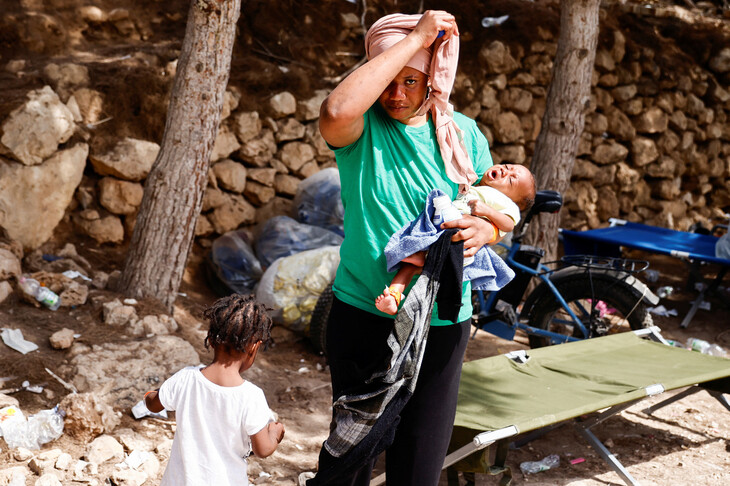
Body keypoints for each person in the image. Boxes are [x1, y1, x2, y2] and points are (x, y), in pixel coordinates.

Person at [310, 10, 502, 486]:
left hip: (443, 323)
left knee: (418, 468)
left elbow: (489, 207)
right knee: (350, 460)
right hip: (365, 314)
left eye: (411, 80)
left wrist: (488, 232)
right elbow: (335, 112)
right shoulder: (362, 132)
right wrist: (417, 36)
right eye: (388, 81)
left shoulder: (463, 134)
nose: (396, 95)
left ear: (433, 78)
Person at [144, 294, 285, 486]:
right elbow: (263, 449)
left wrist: (149, 395)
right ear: (254, 347)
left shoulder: (186, 378)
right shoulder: (251, 397)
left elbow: (153, 404)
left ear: (210, 339)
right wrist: (275, 433)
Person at [375, 163, 536, 315]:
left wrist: (488, 211)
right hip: (441, 228)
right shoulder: (476, 184)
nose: (505, 171)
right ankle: (394, 295)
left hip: (459, 235)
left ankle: (424, 260)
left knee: (416, 262)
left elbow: (508, 225)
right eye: (507, 166)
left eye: (510, 180)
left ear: (513, 199)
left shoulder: (507, 205)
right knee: (409, 265)